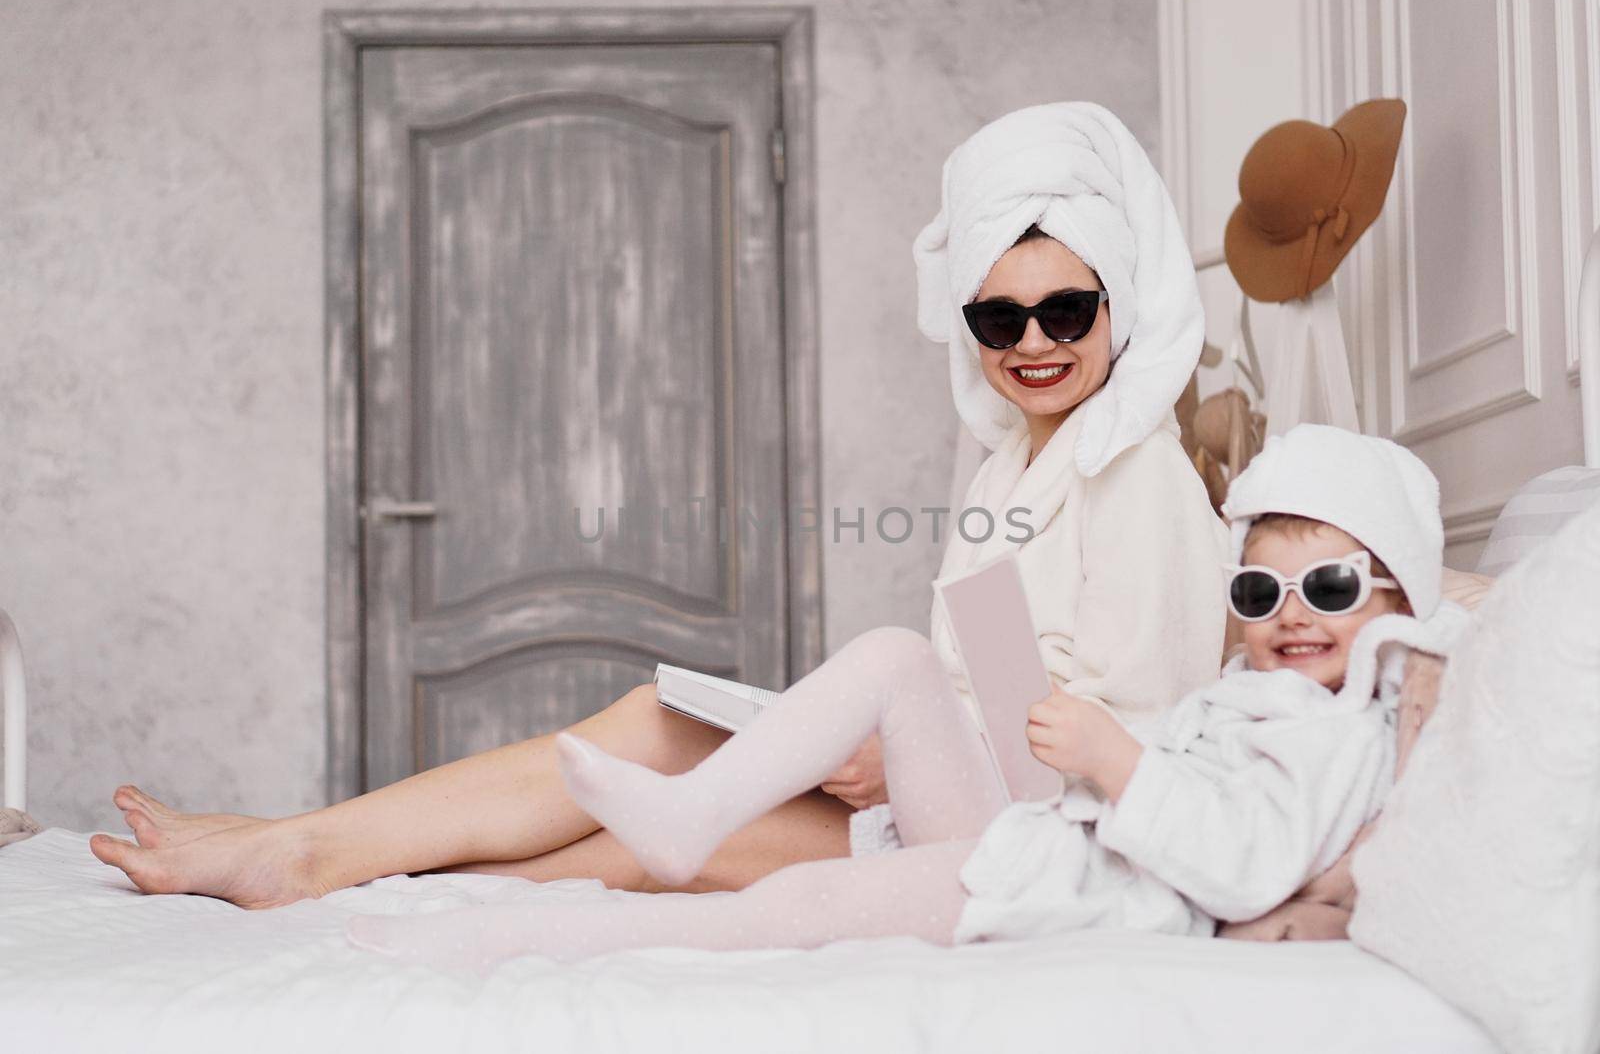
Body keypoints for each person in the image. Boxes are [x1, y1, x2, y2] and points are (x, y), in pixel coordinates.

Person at [88, 101, 1227, 909]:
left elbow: (1143, 745)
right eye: (998, 319)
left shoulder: (1138, 473)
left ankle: (316, 866)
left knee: (653, 840)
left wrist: (905, 751)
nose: (1033, 344)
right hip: (942, 787)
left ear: (1117, 305)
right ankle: (313, 850)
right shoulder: (1008, 468)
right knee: (656, 723)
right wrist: (888, 745)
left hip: (1017, 841)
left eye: (1066, 311)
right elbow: (994, 678)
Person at [346, 424, 1469, 968]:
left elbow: (1246, 862)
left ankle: (526, 933)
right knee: (891, 656)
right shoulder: (1259, 691)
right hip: (1045, 822)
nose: (1289, 611)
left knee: (786, 914)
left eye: (1326, 585)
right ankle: (688, 819)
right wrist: (1083, 749)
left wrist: (1114, 757)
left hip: (1067, 880)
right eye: (1259, 586)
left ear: (1399, 598)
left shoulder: (1339, 731)